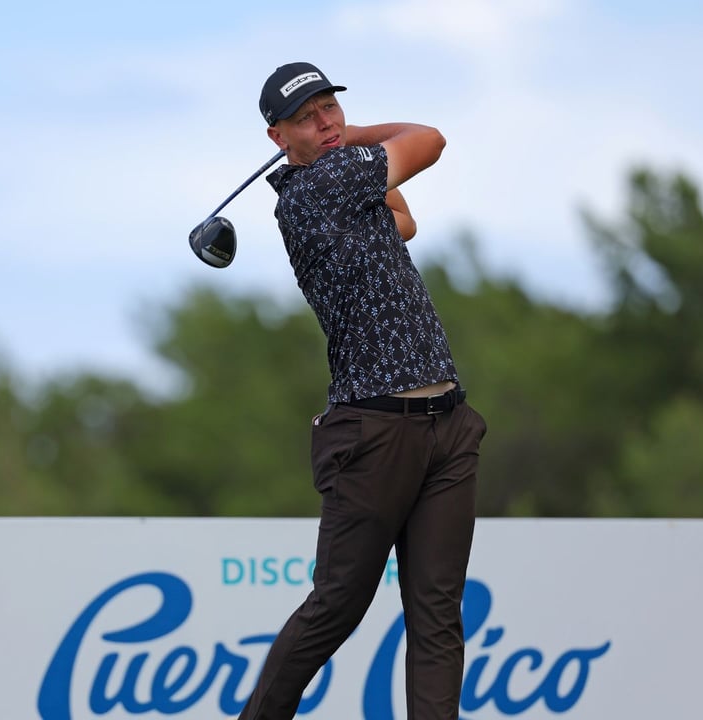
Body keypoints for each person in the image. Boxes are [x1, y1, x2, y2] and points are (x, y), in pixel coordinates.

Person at [238, 62, 488, 720]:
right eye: (307, 118)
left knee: (438, 617)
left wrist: (343, 143)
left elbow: (402, 219)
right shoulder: (320, 184)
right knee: (337, 607)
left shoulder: (344, 182)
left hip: (447, 423)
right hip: (375, 433)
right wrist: (348, 142)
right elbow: (428, 138)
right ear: (277, 135)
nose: (327, 123)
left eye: (331, 109)